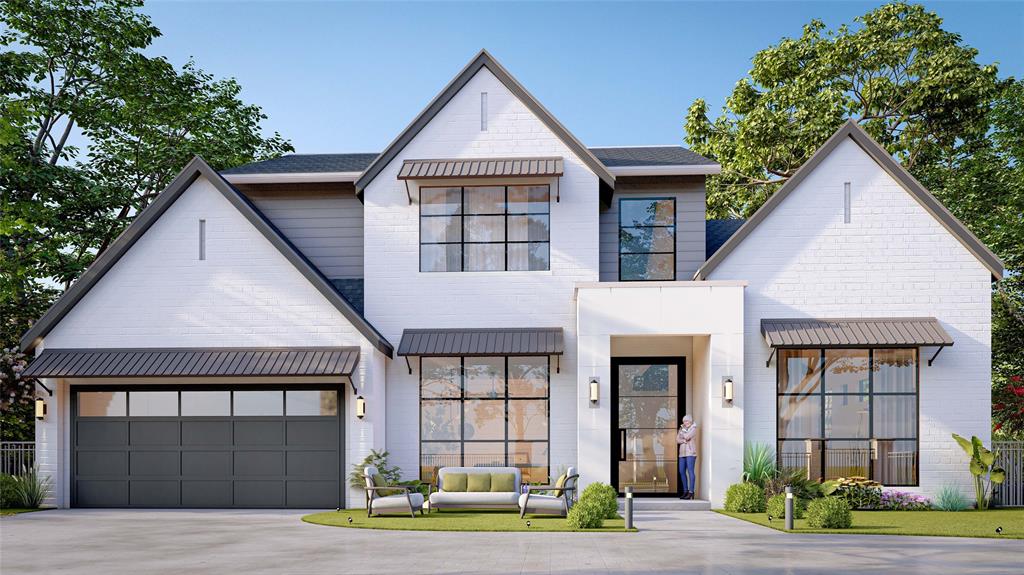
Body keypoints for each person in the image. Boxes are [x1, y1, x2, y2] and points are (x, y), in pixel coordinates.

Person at [677, 415, 697, 500]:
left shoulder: (693, 428)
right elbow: (677, 440)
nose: (686, 423)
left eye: (687, 421)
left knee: (690, 471)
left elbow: (687, 436)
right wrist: (683, 440)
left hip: (691, 453)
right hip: (682, 454)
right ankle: (685, 491)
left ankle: (691, 492)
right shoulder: (681, 429)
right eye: (684, 421)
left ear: (691, 421)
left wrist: (682, 435)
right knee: (681, 471)